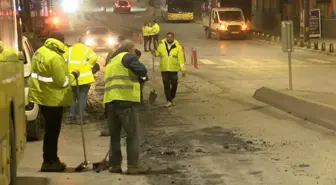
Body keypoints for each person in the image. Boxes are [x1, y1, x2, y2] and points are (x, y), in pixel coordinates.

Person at [28, 32, 80, 172]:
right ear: (61, 42)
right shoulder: (56, 58)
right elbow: (62, 82)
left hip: (42, 96)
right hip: (54, 99)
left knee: (49, 132)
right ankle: (49, 162)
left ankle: (52, 159)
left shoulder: (39, 52)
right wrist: (74, 74)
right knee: (52, 132)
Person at [104, 39, 151, 174]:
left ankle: (115, 165)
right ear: (130, 49)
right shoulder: (127, 56)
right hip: (125, 100)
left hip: (110, 102)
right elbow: (142, 70)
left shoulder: (111, 62)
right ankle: (133, 165)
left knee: (114, 135)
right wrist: (141, 77)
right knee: (132, 134)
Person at [100, 48, 144, 137]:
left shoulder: (110, 64)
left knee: (114, 135)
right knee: (131, 133)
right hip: (124, 98)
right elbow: (142, 72)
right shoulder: (125, 62)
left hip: (110, 99)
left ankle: (112, 132)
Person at [66, 40, 98, 123]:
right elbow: (94, 57)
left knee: (72, 98)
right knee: (82, 98)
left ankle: (71, 117)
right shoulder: (87, 49)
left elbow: (63, 60)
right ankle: (80, 118)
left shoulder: (69, 50)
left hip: (72, 77)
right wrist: (89, 65)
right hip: (84, 78)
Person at [151, 32, 185, 107]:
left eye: (171, 37)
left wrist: (183, 69)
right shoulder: (161, 45)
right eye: (168, 37)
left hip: (174, 69)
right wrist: (154, 52)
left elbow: (181, 58)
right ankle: (169, 100)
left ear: (173, 38)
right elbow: (158, 54)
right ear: (166, 37)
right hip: (164, 68)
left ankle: (172, 97)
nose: (169, 38)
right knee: (166, 85)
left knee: (174, 85)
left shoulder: (178, 46)